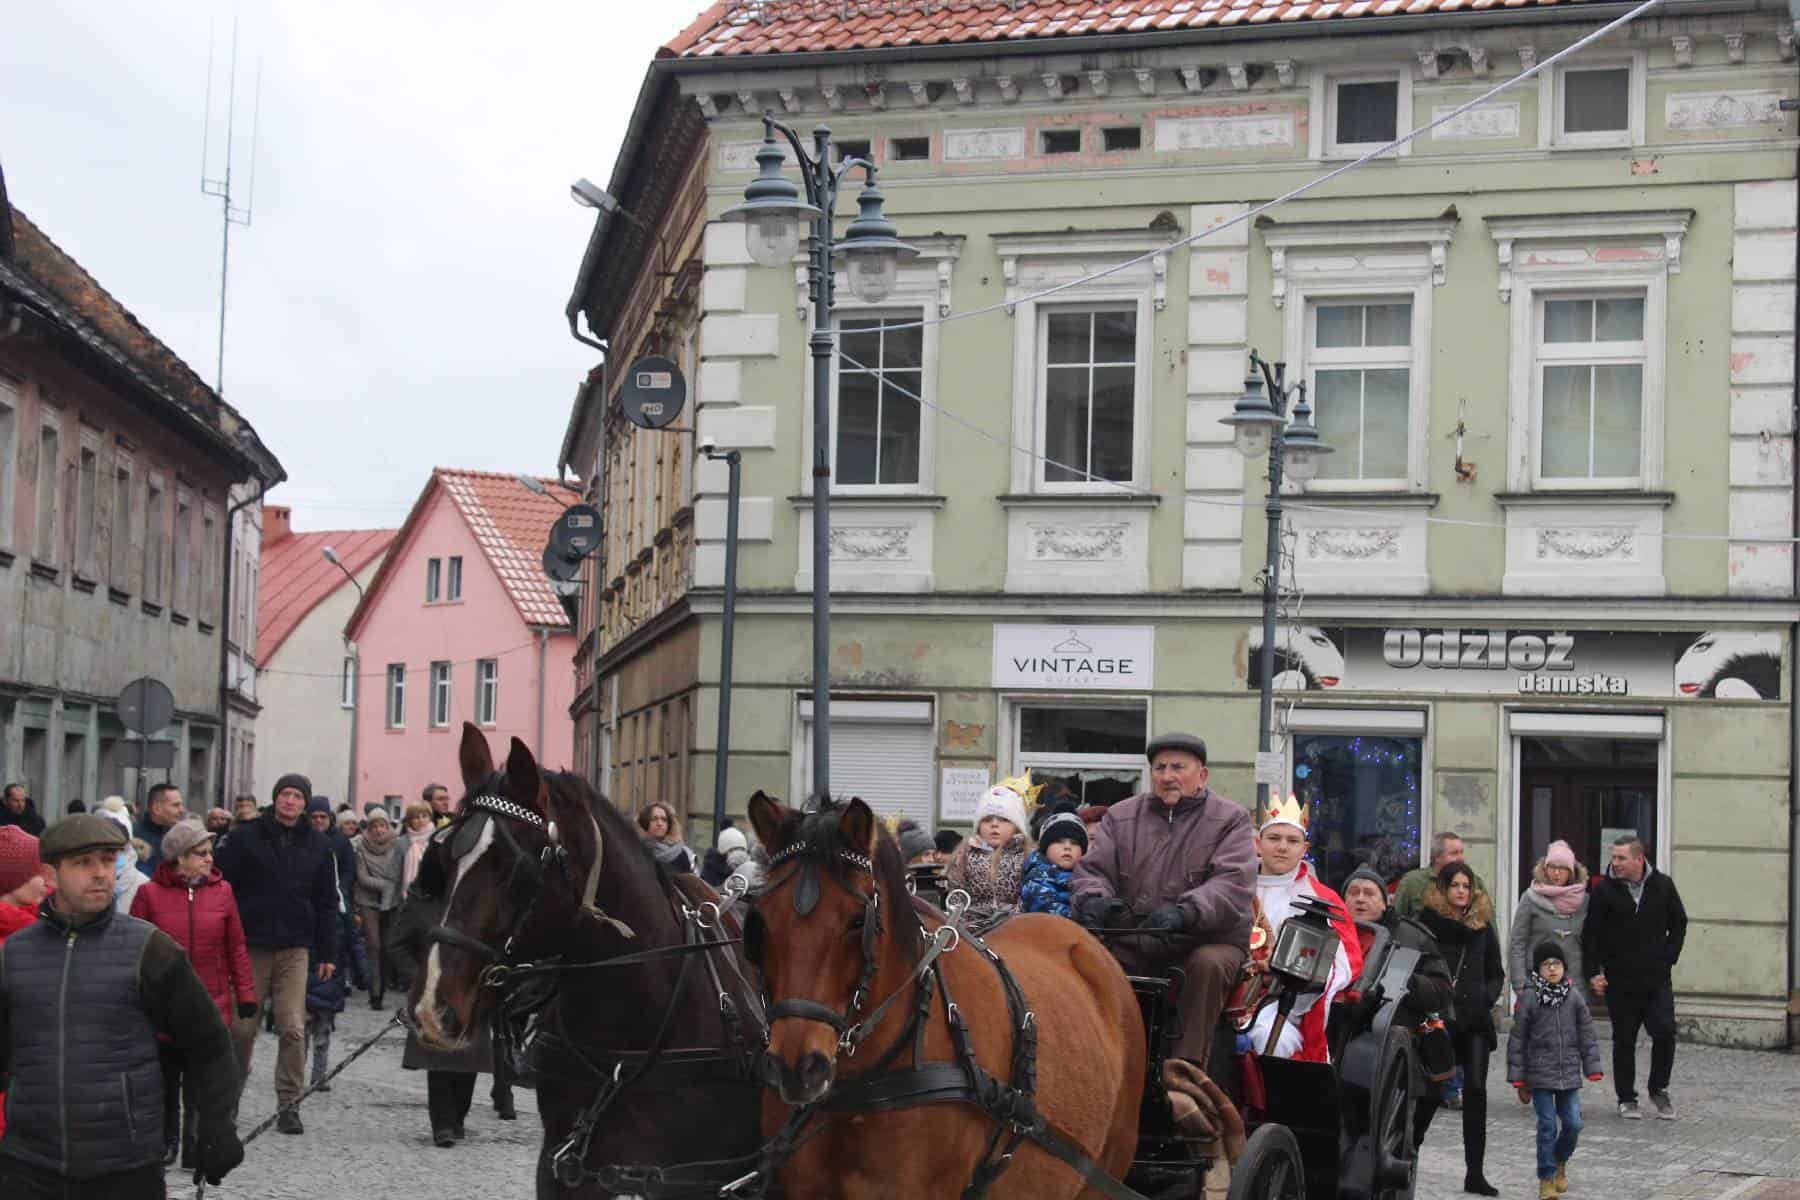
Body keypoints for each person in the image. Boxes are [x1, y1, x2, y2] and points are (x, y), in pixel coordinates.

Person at [0, 814, 244, 1195]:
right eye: (84, 863)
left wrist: (217, 1127)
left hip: (126, 1166)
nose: (100, 873)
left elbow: (209, 1043)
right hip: (30, 1166)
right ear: (51, 873)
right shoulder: (13, 955)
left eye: (108, 859)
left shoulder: (150, 949)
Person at [1071, 732, 1256, 1072]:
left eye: (1178, 767)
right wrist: (1094, 900)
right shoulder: (1121, 816)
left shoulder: (1231, 819)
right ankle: (1094, 1066)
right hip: (1133, 937)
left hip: (1204, 938)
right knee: (1083, 960)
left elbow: (1232, 883)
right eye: (1160, 768)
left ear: (1202, 775)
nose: (1168, 776)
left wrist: (1187, 912)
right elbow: (1093, 870)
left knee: (1208, 965)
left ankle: (1184, 1074)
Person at [214, 773, 340, 1136]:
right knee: (242, 1030)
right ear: (275, 799)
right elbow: (224, 890)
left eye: (297, 797)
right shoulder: (245, 837)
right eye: (285, 794)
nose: (290, 801)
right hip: (251, 945)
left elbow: (327, 901)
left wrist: (328, 951)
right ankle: (228, 1102)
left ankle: (289, 1104)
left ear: (305, 803)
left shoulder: (318, 844)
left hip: (295, 948)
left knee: (293, 1028)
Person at [127, 819, 256, 1170]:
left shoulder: (223, 892)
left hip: (210, 1000)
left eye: (209, 852)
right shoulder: (148, 895)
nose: (208, 859)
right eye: (200, 853)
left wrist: (245, 992)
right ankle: (166, 1140)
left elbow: (236, 946)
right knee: (165, 1080)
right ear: (178, 858)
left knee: (201, 1083)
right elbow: (132, 950)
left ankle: (195, 1144)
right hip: (163, 1005)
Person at [1342, 866, 1455, 1147]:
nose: (1360, 899)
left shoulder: (1413, 936)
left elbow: (1442, 990)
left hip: (1390, 1045)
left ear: (1385, 902)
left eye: (1369, 893)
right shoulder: (1331, 929)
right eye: (1353, 892)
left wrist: (1408, 981)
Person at [388, 869, 500, 1147]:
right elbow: (397, 945)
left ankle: (458, 1118)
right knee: (437, 1059)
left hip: (470, 989)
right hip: (432, 992)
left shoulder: (477, 901)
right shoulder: (419, 903)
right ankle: (442, 1124)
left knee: (467, 1058)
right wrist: (418, 977)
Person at [1246, 797, 1361, 1062]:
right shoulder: (1233, 886)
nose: (1282, 847)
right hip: (1226, 991)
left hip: (1281, 1003)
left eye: (1292, 841)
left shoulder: (1323, 899)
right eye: (1274, 838)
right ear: (1257, 844)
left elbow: (1344, 963)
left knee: (1270, 1040)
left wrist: (1285, 967)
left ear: (1304, 848)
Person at [1415, 860, 1505, 1196]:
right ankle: (1408, 1153)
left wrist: (1487, 997)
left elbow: (1496, 970)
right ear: (1443, 889)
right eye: (1455, 885)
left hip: (1475, 1020)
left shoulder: (1481, 926)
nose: (1461, 891)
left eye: (1466, 886)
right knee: (1432, 1091)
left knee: (1477, 1091)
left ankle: (1475, 1173)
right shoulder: (1428, 924)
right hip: (1439, 1018)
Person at [1582, 836, 1687, 1121]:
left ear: (1639, 859)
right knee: (1624, 1039)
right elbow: (1591, 934)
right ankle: (1626, 1098)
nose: (1615, 863)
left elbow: (1679, 923)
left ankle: (1659, 1089)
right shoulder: (1604, 891)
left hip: (1656, 979)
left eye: (1621, 858)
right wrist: (1594, 972)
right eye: (1613, 858)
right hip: (1621, 979)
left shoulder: (1663, 886)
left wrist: (1668, 957)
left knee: (1665, 1031)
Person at [1507, 941, 1603, 1199]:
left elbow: (1587, 1034)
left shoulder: (1573, 997)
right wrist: (1519, 1079)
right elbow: (1518, 1039)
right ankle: (1546, 1178)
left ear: (1564, 967)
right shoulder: (1529, 998)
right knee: (1547, 1126)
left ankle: (1561, 1159)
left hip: (1569, 1073)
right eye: (1546, 964)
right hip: (1539, 1075)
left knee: (1573, 1124)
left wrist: (1592, 1066)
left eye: (1557, 964)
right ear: (1538, 969)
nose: (1552, 969)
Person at [0, 826, 50, 1143]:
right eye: (38, 872)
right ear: (13, 879)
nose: (48, 881)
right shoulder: (20, 939)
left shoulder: (39, 928)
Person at [946, 775, 1035, 926]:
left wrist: (1011, 920)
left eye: (1004, 820)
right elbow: (956, 897)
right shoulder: (964, 855)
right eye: (987, 820)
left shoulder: (1028, 856)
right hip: (972, 930)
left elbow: (1029, 898)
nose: (994, 825)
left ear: (1017, 826)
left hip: (1014, 928)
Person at [1510, 840, 1590, 1006]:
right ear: (1544, 869)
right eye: (1552, 867)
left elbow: (1594, 942)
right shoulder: (1531, 898)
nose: (1556, 873)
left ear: (1571, 872)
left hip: (1575, 985)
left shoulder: (1585, 901)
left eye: (1562, 869)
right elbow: (1518, 942)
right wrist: (1519, 983)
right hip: (1537, 984)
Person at [354, 807, 404, 1008]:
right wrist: (387, 884)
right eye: (374, 826)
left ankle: (384, 984)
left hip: (393, 901)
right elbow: (362, 877)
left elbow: (402, 871)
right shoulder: (361, 847)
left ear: (388, 827)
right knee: (374, 945)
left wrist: (392, 888)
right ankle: (375, 992)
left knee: (388, 945)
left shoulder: (398, 845)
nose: (379, 830)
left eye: (382, 825)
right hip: (368, 900)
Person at [1395, 830, 1486, 920]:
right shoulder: (1412, 882)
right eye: (1454, 853)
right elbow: (1396, 921)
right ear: (1437, 856)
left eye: (1461, 852)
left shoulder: (1474, 882)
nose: (1461, 858)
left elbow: (1488, 922)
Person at [1020, 806, 1086, 918]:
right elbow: (1047, 909)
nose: (1067, 847)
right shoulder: (1037, 876)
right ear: (1045, 848)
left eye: (1074, 843)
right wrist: (1083, 919)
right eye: (1059, 841)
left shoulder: (1088, 876)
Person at [97, 806, 151, 913]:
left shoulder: (144, 886)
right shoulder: (80, 883)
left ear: (128, 847)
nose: (111, 857)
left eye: (115, 850)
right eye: (102, 851)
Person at [135, 782, 185, 870]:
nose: (182, 810)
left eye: (181, 805)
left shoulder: (180, 836)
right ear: (156, 808)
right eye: (176, 805)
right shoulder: (134, 838)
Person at [637, 802, 694, 874]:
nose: (659, 823)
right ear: (645, 822)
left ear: (669, 825)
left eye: (664, 820)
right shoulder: (637, 850)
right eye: (654, 819)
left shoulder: (680, 854)